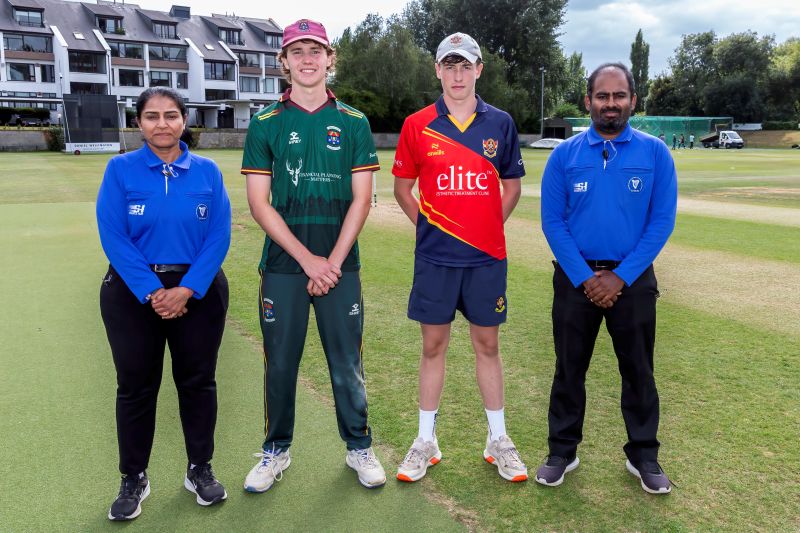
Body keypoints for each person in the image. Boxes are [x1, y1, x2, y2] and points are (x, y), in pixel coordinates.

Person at [240, 18, 386, 492]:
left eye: (315, 50)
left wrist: (332, 263)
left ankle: (359, 446)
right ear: (283, 61)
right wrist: (309, 261)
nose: (307, 59)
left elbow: (362, 200)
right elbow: (259, 204)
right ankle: (275, 450)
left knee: (346, 363)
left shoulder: (354, 121)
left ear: (329, 59)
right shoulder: (265, 123)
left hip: (341, 265)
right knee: (280, 364)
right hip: (284, 266)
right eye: (297, 51)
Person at [393, 32, 527, 483]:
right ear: (437, 70)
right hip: (435, 259)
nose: (457, 75)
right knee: (433, 347)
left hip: (486, 259)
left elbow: (512, 187)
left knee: (488, 346)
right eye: (449, 66)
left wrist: (484, 227)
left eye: (465, 65)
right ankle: (425, 441)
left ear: (478, 70)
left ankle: (498, 440)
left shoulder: (500, 123)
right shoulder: (417, 124)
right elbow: (403, 189)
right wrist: (433, 226)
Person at [537, 62, 677, 494]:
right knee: (568, 370)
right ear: (589, 101)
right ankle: (562, 451)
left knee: (638, 371)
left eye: (619, 96)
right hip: (574, 279)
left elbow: (661, 221)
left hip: (632, 282)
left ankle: (643, 455)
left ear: (633, 100)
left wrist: (620, 277)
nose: (610, 104)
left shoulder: (655, 153)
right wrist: (585, 277)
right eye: (602, 96)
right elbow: (552, 222)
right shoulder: (564, 155)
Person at [97, 87, 232, 520]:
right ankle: (133, 476)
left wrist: (187, 289)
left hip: (198, 291)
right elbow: (113, 234)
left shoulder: (208, 171)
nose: (162, 124)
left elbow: (219, 234)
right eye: (152, 116)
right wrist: (153, 291)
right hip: (133, 292)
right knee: (136, 387)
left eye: (171, 115)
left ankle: (199, 469)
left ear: (184, 120)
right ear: (139, 123)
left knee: (198, 382)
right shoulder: (120, 169)